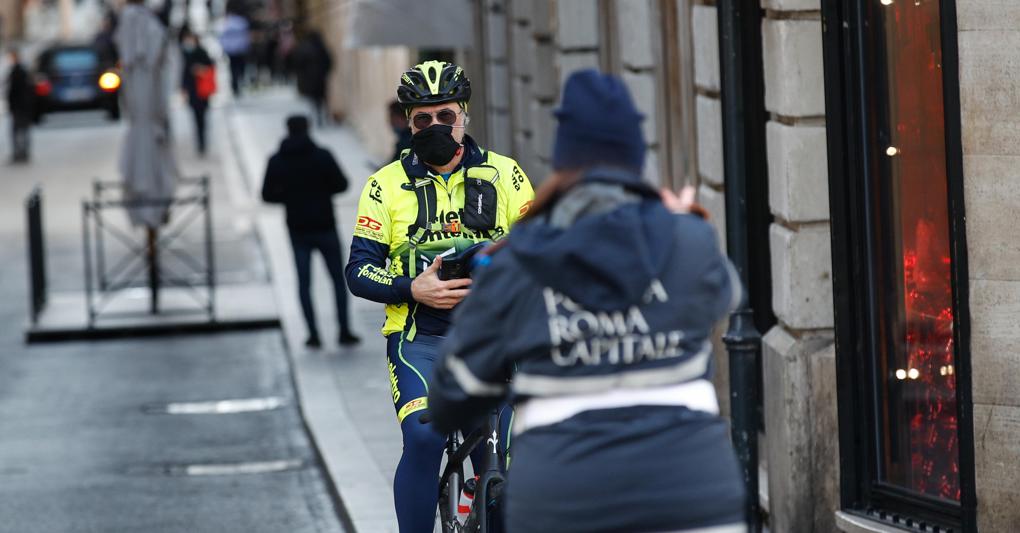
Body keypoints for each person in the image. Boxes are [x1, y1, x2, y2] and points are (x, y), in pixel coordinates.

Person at [428, 69, 747, 533]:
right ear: (637, 155)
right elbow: (724, 295)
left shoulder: (517, 259)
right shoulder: (689, 240)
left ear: (564, 161)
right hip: (692, 494)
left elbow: (452, 397)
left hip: (565, 498)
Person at [344, 61, 534, 533]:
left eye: (445, 116)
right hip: (419, 341)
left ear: (464, 117)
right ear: (407, 123)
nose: (435, 127)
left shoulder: (505, 174)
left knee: (508, 457)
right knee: (425, 439)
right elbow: (357, 271)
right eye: (422, 119)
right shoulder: (383, 186)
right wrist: (412, 287)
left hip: (496, 338)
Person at [262, 115, 360, 348]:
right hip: (325, 225)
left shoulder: (277, 160)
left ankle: (313, 334)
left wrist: (288, 195)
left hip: (298, 229)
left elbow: (267, 194)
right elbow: (342, 184)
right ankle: (344, 330)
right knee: (338, 279)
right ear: (308, 128)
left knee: (304, 283)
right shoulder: (322, 155)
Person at [114, 0, 178, 228]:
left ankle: (150, 212)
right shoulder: (145, 27)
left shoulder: (142, 28)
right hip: (146, 117)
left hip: (147, 117)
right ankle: (151, 212)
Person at [179, 29, 214, 156]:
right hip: (193, 92)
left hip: (202, 91)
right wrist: (183, 90)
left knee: (202, 118)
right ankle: (199, 142)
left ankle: (202, 142)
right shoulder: (185, 55)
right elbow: (184, 74)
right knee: (196, 118)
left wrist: (200, 69)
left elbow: (211, 67)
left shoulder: (202, 53)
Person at [291, 31, 332, 126]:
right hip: (320, 78)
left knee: (312, 100)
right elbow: (329, 62)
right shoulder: (321, 47)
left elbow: (297, 63)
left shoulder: (303, 48)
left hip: (307, 79)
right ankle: (320, 118)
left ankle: (315, 118)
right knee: (321, 99)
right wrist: (324, 73)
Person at [5, 47, 32, 163]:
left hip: (19, 106)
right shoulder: (21, 71)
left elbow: (15, 91)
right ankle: (22, 153)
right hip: (22, 106)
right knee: (22, 131)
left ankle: (20, 154)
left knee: (18, 131)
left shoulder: (18, 71)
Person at [219, 4, 250, 97]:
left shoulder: (226, 23)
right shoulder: (242, 22)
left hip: (231, 50)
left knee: (233, 68)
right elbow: (245, 37)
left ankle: (235, 85)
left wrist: (224, 48)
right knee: (240, 67)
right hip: (240, 49)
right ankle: (239, 82)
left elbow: (222, 38)